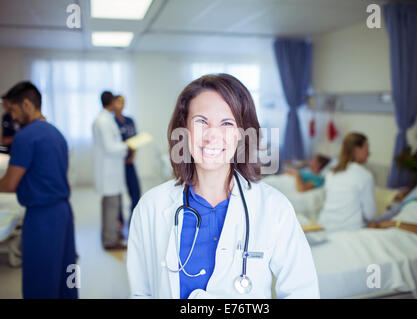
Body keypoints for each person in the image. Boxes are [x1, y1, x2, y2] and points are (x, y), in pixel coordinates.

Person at [127, 74, 319, 299]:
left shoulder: (274, 208)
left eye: (227, 123)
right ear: (184, 128)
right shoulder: (151, 206)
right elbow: (141, 294)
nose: (212, 136)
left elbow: (302, 292)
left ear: (242, 133)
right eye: (201, 121)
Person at [0, 81, 78, 299]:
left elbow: (10, 183)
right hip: (63, 213)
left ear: (26, 105)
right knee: (67, 276)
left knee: (40, 281)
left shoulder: (25, 137)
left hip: (42, 217)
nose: (12, 117)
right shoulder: (57, 134)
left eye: (13, 110)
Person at [317, 132, 377, 232]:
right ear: (357, 150)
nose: (369, 153)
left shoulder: (331, 173)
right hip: (348, 232)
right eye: (366, 149)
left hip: (323, 227)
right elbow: (370, 214)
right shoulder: (365, 176)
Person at [92, 91, 128, 250]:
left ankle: (110, 233)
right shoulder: (103, 121)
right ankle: (109, 240)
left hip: (111, 171)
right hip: (109, 172)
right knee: (111, 206)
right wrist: (127, 145)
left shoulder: (106, 119)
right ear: (111, 103)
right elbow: (110, 147)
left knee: (110, 205)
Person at [114, 95, 141, 229]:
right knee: (117, 194)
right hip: (117, 164)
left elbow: (135, 139)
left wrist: (133, 155)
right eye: (119, 102)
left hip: (129, 163)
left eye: (123, 102)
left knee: (135, 192)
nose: (121, 104)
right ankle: (118, 221)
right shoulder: (112, 122)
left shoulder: (129, 121)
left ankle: (132, 220)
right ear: (113, 103)